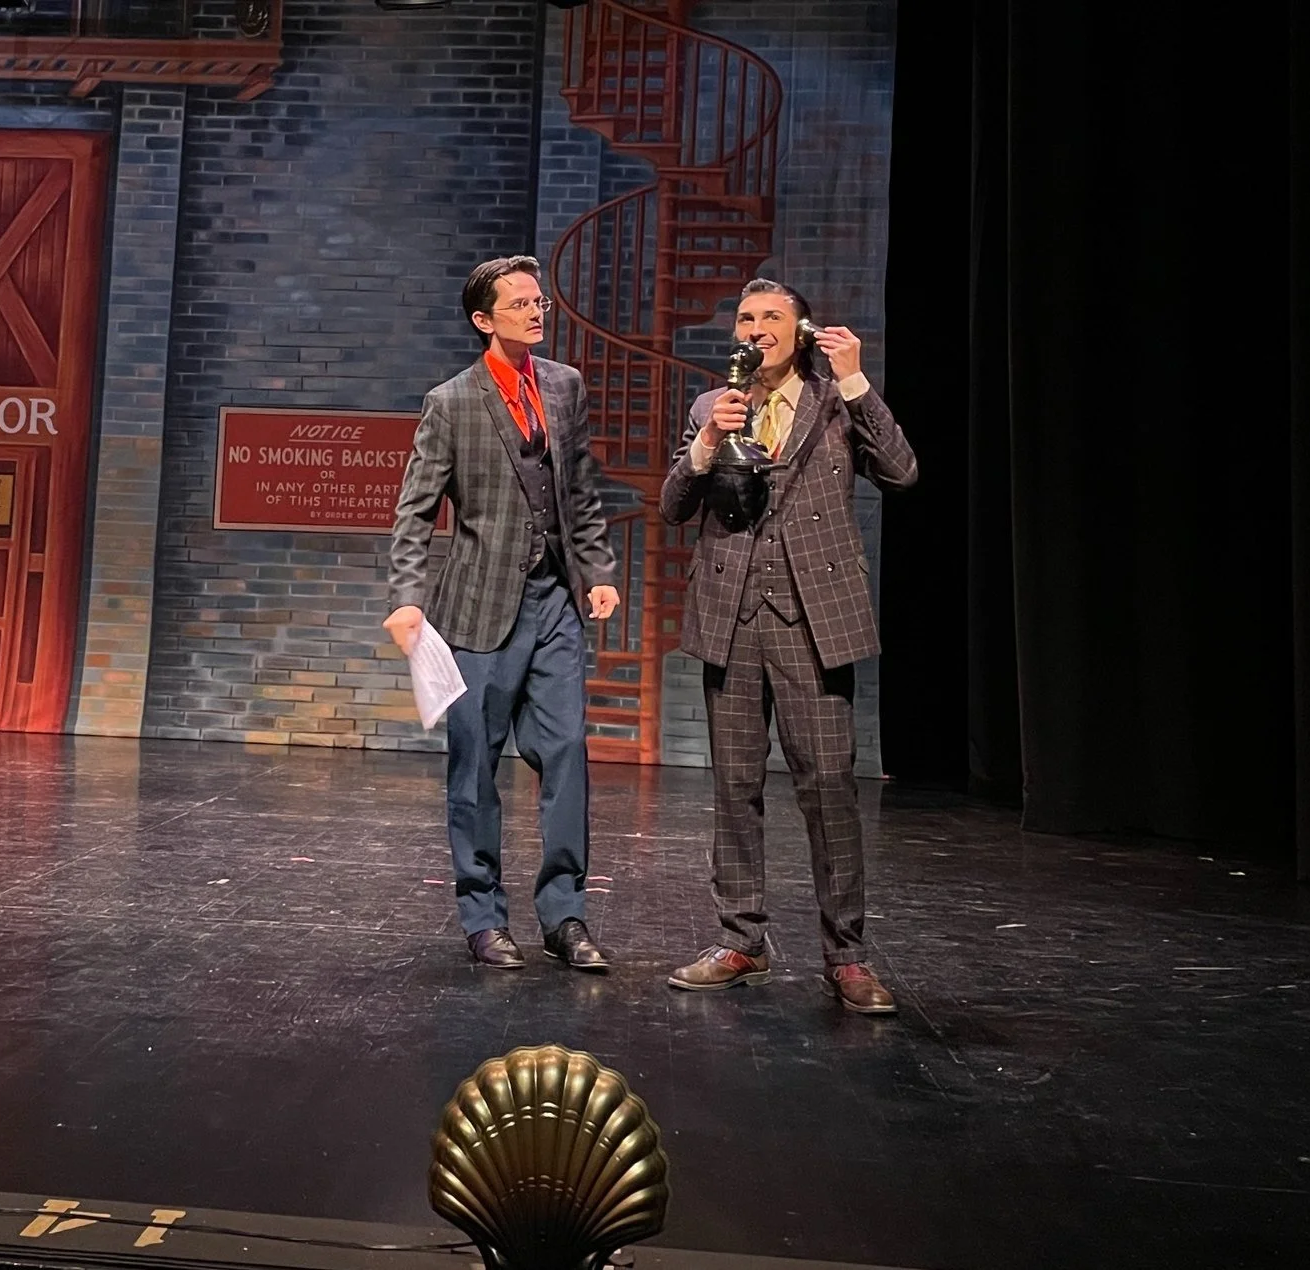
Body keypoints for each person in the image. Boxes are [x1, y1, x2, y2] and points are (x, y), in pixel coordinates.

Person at [659, 279, 918, 1014]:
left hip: (812, 618)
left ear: (800, 329)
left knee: (827, 787)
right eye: (746, 317)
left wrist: (856, 378)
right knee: (733, 788)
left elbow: (901, 471)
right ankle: (741, 939)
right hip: (731, 615)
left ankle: (847, 956)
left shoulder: (838, 399)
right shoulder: (712, 406)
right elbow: (674, 505)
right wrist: (707, 443)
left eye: (772, 316)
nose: (756, 327)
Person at [387, 255, 621, 972]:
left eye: (538, 301)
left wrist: (598, 570)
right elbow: (414, 509)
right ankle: (483, 916)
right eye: (517, 303)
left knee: (566, 756)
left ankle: (564, 915)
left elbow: (578, 491)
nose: (534, 311)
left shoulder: (564, 387)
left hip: (553, 600)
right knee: (474, 768)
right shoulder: (451, 401)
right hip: (477, 610)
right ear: (483, 319)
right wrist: (405, 596)